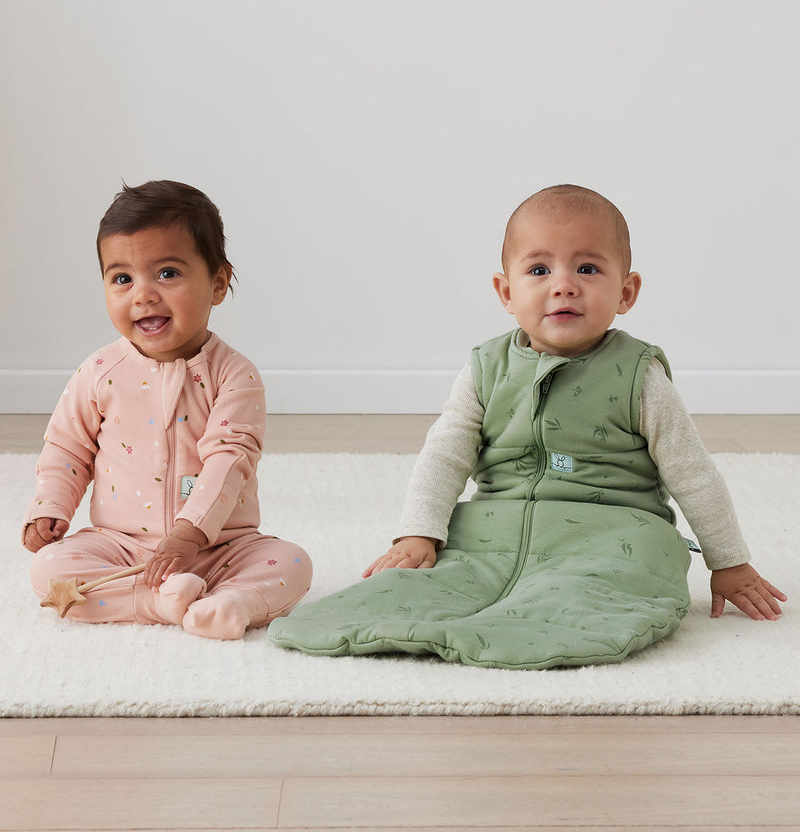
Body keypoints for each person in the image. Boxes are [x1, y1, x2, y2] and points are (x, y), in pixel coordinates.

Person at [269, 184, 785, 669]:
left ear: (626, 292)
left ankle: (547, 620)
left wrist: (729, 561)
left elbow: (692, 473)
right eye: (539, 270)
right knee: (433, 574)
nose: (563, 285)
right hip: (497, 524)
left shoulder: (640, 375)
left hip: (612, 530)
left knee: (613, 574)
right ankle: (430, 613)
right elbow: (445, 455)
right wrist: (419, 532)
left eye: (587, 268)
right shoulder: (485, 369)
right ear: (505, 291)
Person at [23, 180, 312, 640]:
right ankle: (159, 601)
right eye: (122, 278)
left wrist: (189, 535)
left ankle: (231, 601)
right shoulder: (100, 370)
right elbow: (67, 448)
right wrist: (50, 507)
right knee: (49, 570)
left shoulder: (234, 375)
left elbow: (229, 460)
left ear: (217, 283)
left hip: (219, 546)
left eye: (167, 274)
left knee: (293, 563)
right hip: (120, 546)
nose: (143, 294)